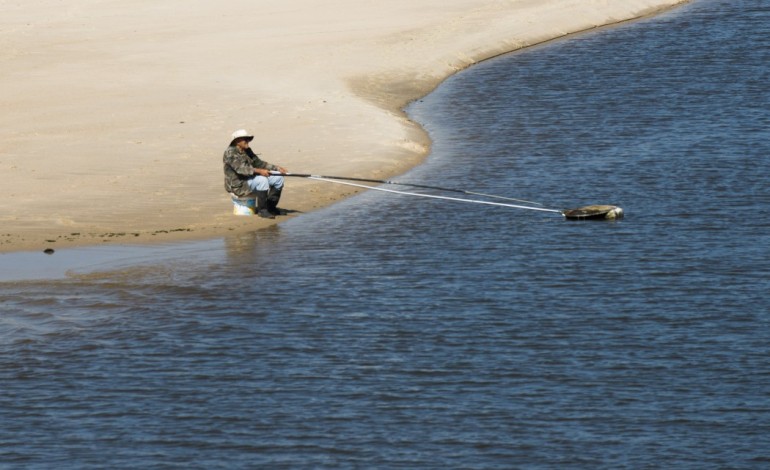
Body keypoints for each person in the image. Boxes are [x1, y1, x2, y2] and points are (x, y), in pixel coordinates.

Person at [223, 129, 288, 219]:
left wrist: (277, 168)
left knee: (278, 178)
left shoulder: (247, 150)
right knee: (262, 180)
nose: (248, 141)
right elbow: (240, 169)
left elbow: (259, 163)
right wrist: (260, 171)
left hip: (250, 178)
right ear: (237, 141)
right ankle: (262, 210)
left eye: (248, 139)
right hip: (238, 184)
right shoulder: (230, 152)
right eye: (245, 139)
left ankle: (271, 208)